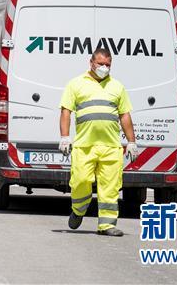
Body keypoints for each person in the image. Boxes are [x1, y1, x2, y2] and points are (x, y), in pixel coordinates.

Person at [59, 48, 139, 237]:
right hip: (84, 146)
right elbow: (65, 111)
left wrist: (132, 142)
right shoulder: (76, 84)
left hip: (111, 147)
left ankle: (107, 225)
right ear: (91, 63)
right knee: (80, 181)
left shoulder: (117, 87)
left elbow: (124, 115)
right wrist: (64, 137)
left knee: (110, 188)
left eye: (107, 65)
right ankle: (78, 210)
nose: (104, 68)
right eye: (100, 64)